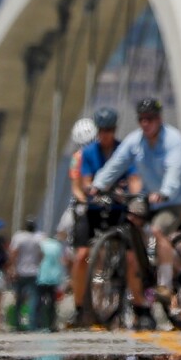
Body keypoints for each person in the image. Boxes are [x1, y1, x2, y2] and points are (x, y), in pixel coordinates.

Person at [93, 98, 181, 321]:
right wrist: (98, 185)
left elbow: (174, 169)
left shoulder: (174, 140)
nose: (145, 124)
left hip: (176, 198)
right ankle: (144, 262)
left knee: (159, 230)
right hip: (151, 197)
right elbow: (116, 164)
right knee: (131, 217)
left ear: (159, 119)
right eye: (141, 119)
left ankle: (165, 283)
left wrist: (166, 191)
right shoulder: (135, 141)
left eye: (150, 119)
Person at [66, 108, 122, 327]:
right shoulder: (78, 158)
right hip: (88, 206)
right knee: (81, 255)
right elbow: (76, 186)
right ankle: (79, 307)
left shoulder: (118, 151)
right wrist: (82, 200)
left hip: (111, 205)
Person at [9, 219, 44, 330]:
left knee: (19, 298)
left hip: (20, 271)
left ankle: (17, 323)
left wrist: (12, 267)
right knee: (34, 299)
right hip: (34, 271)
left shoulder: (19, 237)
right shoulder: (38, 238)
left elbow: (14, 253)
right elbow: (41, 254)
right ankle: (32, 324)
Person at [34, 227, 66, 332]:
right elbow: (61, 261)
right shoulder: (58, 246)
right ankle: (52, 324)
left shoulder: (42, 244)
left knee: (39, 301)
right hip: (54, 277)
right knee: (52, 303)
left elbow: (39, 258)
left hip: (42, 276)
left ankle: (38, 324)